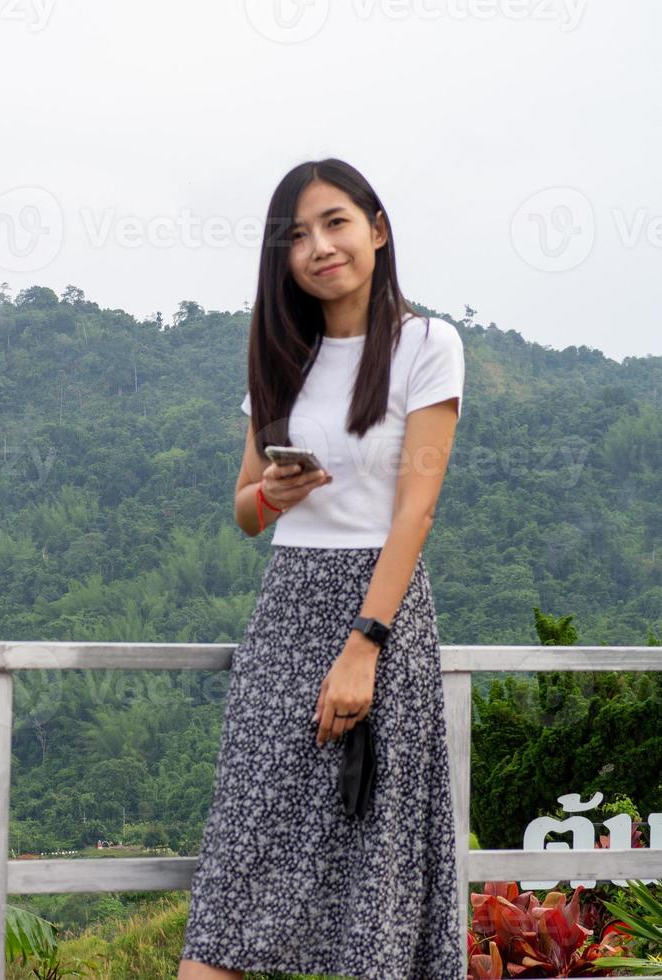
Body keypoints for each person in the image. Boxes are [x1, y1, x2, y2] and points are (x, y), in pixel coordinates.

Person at [177, 158, 467, 980]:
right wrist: (272, 491)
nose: (318, 247)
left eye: (335, 223)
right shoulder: (279, 356)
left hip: (381, 613)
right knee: (242, 853)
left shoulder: (426, 344)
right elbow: (242, 514)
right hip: (284, 610)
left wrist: (363, 645)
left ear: (376, 230)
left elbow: (414, 511)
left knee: (374, 864)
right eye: (296, 235)